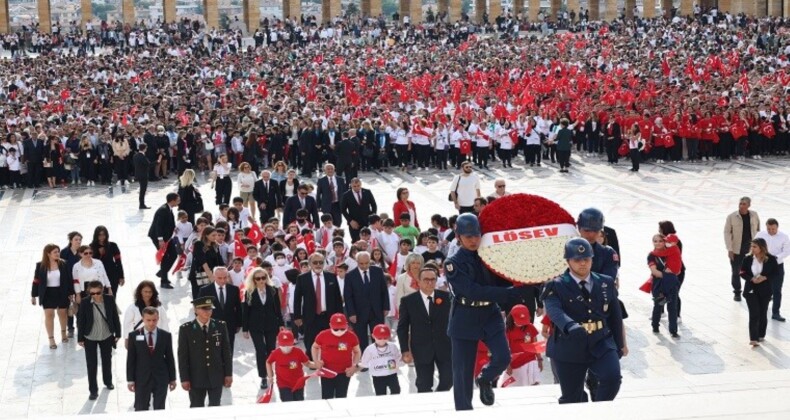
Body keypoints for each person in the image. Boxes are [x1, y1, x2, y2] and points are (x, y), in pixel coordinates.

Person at [443, 213, 523, 410]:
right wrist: (507, 294)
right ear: (458, 236)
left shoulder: (490, 255)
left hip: (490, 313)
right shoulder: (453, 263)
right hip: (464, 316)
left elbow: (505, 278)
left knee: (503, 356)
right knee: (462, 373)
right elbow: (471, 291)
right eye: (468, 236)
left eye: (477, 235)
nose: (473, 240)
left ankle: (485, 378)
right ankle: (464, 411)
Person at [541, 238, 624, 404]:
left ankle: (599, 411)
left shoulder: (605, 282)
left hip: (601, 341)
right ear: (568, 261)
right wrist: (569, 325)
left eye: (586, 259)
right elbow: (554, 310)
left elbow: (615, 316)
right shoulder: (555, 285)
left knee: (612, 378)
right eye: (577, 260)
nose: (582, 263)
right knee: (572, 398)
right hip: (568, 345)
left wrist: (619, 345)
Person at [397, 265, 452, 393]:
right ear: (419, 281)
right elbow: (402, 327)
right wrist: (405, 350)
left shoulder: (447, 298)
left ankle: (439, 398)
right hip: (421, 348)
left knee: (449, 379)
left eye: (433, 279)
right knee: (423, 384)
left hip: (444, 347)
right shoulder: (408, 301)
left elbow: (455, 322)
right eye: (426, 279)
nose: (430, 282)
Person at [178, 296, 233, 408]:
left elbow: (226, 352)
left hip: (216, 376)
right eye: (204, 309)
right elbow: (183, 356)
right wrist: (184, 378)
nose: (207, 312)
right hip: (196, 377)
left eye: (210, 309)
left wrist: (228, 374)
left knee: (215, 407)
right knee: (196, 407)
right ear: (195, 310)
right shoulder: (186, 329)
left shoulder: (220, 326)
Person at [293, 253, 344, 359]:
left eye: (321, 262)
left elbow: (337, 298)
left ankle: (329, 359)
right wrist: (297, 316)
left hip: (328, 316)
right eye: (315, 262)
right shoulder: (302, 278)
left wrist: (340, 316)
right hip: (311, 316)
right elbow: (297, 299)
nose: (318, 265)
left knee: (330, 340)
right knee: (310, 340)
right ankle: (312, 360)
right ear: (310, 264)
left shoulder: (331, 277)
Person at [77, 280, 122, 400]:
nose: (96, 295)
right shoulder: (85, 302)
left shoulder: (109, 299)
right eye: (93, 293)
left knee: (107, 360)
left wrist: (118, 333)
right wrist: (80, 338)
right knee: (91, 364)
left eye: (98, 292)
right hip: (90, 336)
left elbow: (114, 316)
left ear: (102, 290)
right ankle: (93, 390)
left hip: (106, 335)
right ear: (89, 293)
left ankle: (108, 382)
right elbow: (81, 321)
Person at [126, 306, 177, 411]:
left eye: (154, 320)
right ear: (143, 319)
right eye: (148, 320)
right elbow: (131, 359)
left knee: (160, 407)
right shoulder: (134, 335)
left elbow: (169, 357)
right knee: (141, 407)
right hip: (141, 378)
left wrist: (172, 378)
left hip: (161, 377)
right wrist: (130, 379)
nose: (151, 323)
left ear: (158, 319)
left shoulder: (165, 335)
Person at [242, 268, 284, 389]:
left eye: (263, 278)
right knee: (261, 351)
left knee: (271, 350)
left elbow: (277, 309)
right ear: (254, 280)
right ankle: (263, 376)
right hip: (255, 326)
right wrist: (245, 329)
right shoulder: (249, 292)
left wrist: (281, 323)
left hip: (271, 325)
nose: (261, 281)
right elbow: (246, 311)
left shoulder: (273, 290)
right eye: (258, 278)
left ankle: (271, 374)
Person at [31, 244, 75, 349]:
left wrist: (71, 293)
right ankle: (51, 339)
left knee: (63, 314)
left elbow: (69, 280)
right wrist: (33, 295)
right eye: (55, 252)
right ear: (48, 254)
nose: (57, 254)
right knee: (49, 315)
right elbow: (36, 281)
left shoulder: (64, 264)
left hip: (61, 292)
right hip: (47, 293)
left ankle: (63, 333)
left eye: (58, 251)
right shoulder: (40, 265)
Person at [344, 252, 389, 349]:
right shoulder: (350, 276)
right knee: (361, 339)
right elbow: (348, 296)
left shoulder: (378, 271)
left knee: (379, 337)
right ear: (357, 262)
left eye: (366, 263)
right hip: (358, 313)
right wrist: (351, 313)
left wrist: (386, 307)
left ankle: (379, 357)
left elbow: (384, 290)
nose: (364, 266)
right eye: (361, 263)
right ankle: (364, 358)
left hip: (376, 311)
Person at [740, 238, 780, 346]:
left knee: (762, 313)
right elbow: (742, 272)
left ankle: (761, 334)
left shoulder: (771, 259)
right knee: (754, 314)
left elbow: (776, 272)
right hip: (750, 290)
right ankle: (753, 338)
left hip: (765, 290)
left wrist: (765, 277)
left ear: (761, 248)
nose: (752, 249)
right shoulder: (747, 259)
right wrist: (751, 279)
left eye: (754, 247)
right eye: (751, 246)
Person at [311, 313, 362, 399]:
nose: (339, 331)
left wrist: (354, 366)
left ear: (346, 325)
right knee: (327, 397)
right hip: (326, 372)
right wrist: (316, 361)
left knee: (341, 397)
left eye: (342, 329)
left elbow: (357, 351)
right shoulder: (323, 335)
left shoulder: (351, 336)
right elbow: (314, 347)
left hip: (344, 372)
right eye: (336, 329)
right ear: (330, 325)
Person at [724, 197, 760, 301]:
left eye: (744, 204)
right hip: (736, 250)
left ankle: (754, 291)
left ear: (749, 205)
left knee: (754, 271)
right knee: (736, 272)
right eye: (740, 203)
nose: (741, 206)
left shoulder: (754, 215)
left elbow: (758, 230)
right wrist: (729, 249)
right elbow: (727, 233)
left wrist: (759, 247)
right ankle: (737, 292)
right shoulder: (731, 217)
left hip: (752, 250)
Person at [198, 267, 242, 351]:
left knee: (228, 350)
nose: (222, 280)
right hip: (211, 326)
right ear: (214, 276)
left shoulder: (234, 289)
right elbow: (199, 309)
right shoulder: (205, 290)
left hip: (229, 326)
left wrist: (239, 324)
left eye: (225, 277)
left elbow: (238, 308)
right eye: (219, 278)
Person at [755, 218, 790, 322]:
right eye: (768, 229)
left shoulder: (784, 237)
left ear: (777, 227)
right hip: (762, 265)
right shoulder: (761, 234)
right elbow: (754, 246)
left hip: (777, 266)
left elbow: (787, 251)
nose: (771, 231)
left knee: (777, 290)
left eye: (773, 229)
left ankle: (776, 313)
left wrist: (774, 258)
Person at [648, 234, 682, 338]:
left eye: (660, 241)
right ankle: (655, 325)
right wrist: (668, 275)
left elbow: (678, 270)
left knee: (672, 307)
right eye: (655, 241)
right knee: (658, 305)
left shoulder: (671, 252)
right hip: (658, 284)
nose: (658, 243)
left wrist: (671, 274)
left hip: (671, 284)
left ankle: (673, 330)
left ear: (664, 242)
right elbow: (654, 271)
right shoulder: (652, 255)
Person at [265, 329, 313, 402]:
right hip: (283, 384)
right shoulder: (276, 353)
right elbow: (268, 362)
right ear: (278, 343)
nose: (286, 347)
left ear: (293, 342)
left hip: (298, 384)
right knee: (288, 403)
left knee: (299, 403)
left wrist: (318, 365)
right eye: (283, 345)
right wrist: (270, 375)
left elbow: (308, 363)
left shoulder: (298, 352)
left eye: (288, 344)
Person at [123, 280, 170, 348]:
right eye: (145, 292)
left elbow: (164, 322)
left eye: (150, 292)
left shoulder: (159, 307)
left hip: (156, 338)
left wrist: (165, 338)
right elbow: (127, 324)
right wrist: (127, 339)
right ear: (140, 292)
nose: (148, 294)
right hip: (139, 338)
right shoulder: (133, 308)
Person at [359, 324, 402, 395]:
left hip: (392, 375)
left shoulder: (392, 346)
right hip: (378, 377)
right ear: (373, 336)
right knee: (380, 394)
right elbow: (364, 362)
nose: (382, 340)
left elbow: (398, 358)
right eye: (379, 338)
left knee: (396, 391)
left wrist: (399, 363)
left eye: (385, 338)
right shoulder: (369, 349)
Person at [148, 193, 180, 289]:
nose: (179, 202)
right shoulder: (163, 210)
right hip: (159, 238)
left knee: (174, 254)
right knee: (165, 257)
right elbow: (158, 225)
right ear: (172, 200)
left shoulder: (168, 209)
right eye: (178, 200)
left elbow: (168, 223)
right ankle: (164, 281)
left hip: (167, 237)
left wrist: (174, 229)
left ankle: (162, 272)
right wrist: (160, 239)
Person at [89, 226, 125, 296]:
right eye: (99, 235)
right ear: (96, 235)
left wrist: (121, 276)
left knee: (112, 296)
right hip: (99, 276)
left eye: (103, 234)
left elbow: (118, 261)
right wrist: (98, 254)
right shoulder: (91, 247)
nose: (102, 237)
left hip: (112, 275)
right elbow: (91, 262)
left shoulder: (113, 245)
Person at [340, 178, 378, 242]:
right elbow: (343, 209)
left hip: (367, 222)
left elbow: (374, 205)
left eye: (358, 186)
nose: (357, 188)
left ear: (361, 184)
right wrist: (350, 221)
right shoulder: (346, 195)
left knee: (369, 241)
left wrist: (372, 219)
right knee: (355, 241)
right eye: (354, 186)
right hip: (354, 223)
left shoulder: (367, 192)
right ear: (351, 185)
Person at [133, 143, 151, 209]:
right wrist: (157, 161)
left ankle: (142, 204)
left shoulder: (135, 155)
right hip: (143, 175)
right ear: (144, 149)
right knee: (143, 190)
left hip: (138, 174)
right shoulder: (142, 156)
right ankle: (142, 204)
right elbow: (148, 164)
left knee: (142, 190)